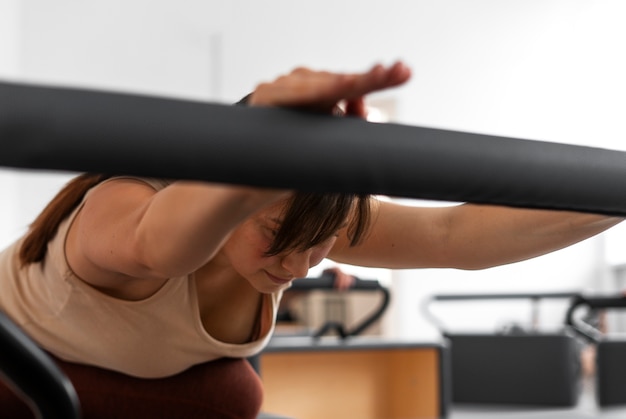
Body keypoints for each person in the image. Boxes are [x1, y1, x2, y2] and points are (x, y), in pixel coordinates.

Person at [0, 60, 622, 418]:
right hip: (23, 365)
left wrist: (616, 196)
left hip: (159, 379)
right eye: (276, 234)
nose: (300, 264)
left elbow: (450, 232)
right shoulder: (125, 205)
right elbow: (166, 246)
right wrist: (255, 149)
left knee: (238, 396)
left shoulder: (303, 209)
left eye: (320, 240)